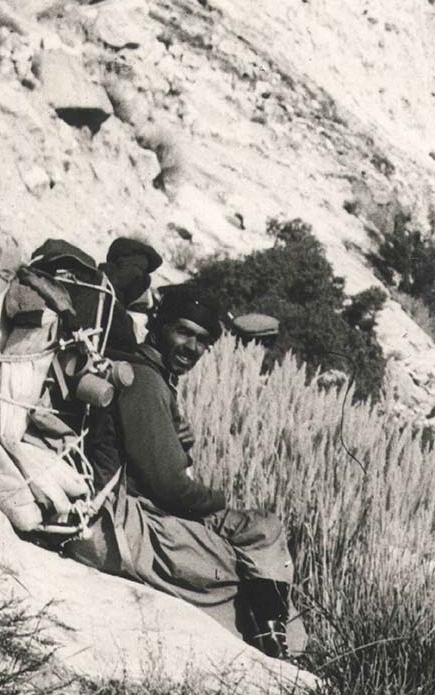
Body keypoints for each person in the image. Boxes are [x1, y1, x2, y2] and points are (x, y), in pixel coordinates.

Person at [67, 281, 294, 658]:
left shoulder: (152, 377)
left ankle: (271, 637)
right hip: (133, 521)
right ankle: (271, 646)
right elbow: (169, 486)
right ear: (158, 326)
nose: (192, 348)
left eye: (202, 340)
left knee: (263, 528)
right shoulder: (144, 380)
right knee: (253, 541)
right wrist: (218, 499)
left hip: (143, 510)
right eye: (183, 332)